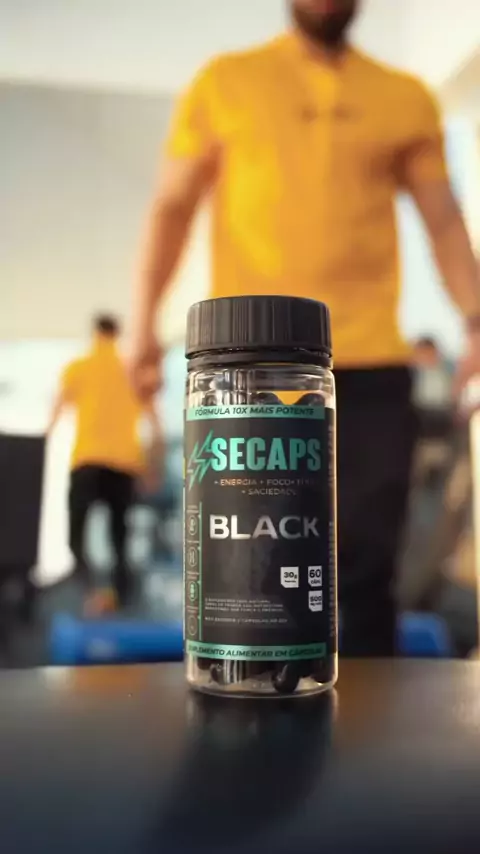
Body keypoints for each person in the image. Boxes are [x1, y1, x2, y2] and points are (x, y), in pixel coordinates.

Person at [128, 0, 480, 655]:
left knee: (368, 567)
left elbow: (443, 219)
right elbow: (172, 206)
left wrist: (477, 319)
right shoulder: (225, 83)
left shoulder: (403, 98)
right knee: (250, 555)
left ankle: (365, 712)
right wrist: (142, 324)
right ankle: (247, 695)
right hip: (249, 368)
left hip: (370, 361)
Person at [48, 314, 162, 615]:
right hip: (124, 466)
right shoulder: (131, 371)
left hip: (87, 461)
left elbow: (57, 410)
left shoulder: (79, 367)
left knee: (76, 535)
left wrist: (40, 447)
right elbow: (155, 425)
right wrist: (152, 467)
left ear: (94, 332)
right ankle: (119, 600)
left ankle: (88, 593)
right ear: (117, 333)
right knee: (119, 539)